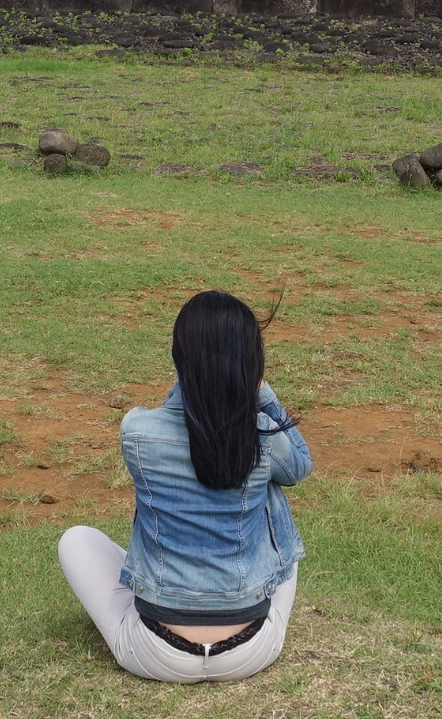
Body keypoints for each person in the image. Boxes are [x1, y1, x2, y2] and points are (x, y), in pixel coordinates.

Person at [58, 290, 311, 683]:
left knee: (75, 539)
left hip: (155, 652)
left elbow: (178, 423)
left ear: (179, 358)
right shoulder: (261, 434)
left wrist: (192, 382)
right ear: (251, 361)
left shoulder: (138, 431)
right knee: (274, 497)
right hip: (252, 649)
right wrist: (261, 393)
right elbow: (299, 468)